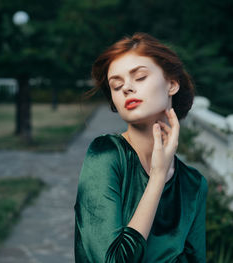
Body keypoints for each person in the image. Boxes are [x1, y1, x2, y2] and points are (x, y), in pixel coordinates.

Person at [74, 32, 208, 263]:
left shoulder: (193, 183)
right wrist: (157, 177)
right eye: (116, 85)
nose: (126, 88)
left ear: (172, 84)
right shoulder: (106, 155)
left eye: (140, 77)